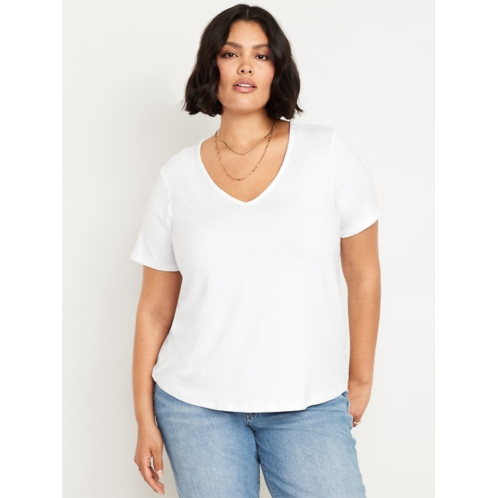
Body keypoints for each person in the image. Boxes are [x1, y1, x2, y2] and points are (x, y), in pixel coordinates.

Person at [131, 4, 381, 497]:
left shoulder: (327, 153)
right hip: (195, 409)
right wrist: (144, 418)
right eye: (231, 54)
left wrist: (360, 380)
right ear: (212, 66)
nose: (245, 66)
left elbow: (364, 276)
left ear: (276, 69)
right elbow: (154, 309)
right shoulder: (177, 177)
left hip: (308, 403)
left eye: (261, 55)